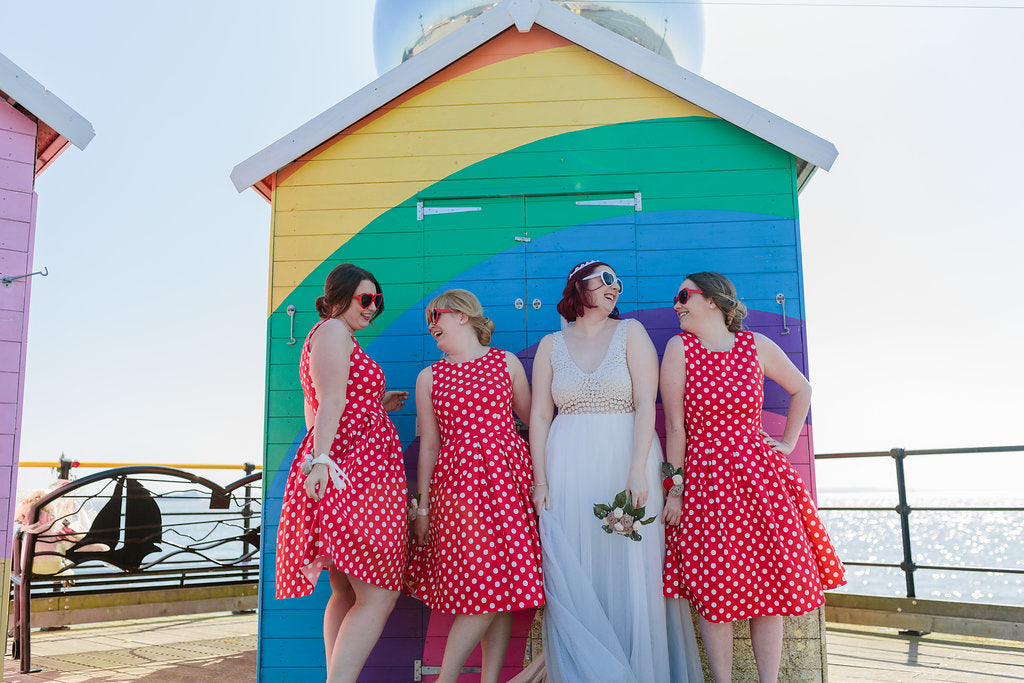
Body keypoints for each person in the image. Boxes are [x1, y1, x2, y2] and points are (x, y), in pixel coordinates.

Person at [660, 271, 847, 682]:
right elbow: (676, 428)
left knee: (771, 591)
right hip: (708, 482)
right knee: (715, 589)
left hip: (762, 480)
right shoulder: (679, 348)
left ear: (712, 300)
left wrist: (786, 442)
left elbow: (803, 390)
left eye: (683, 296)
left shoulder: (755, 345)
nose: (676, 304)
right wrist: (674, 490)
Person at [523, 261, 701, 683]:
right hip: (567, 466)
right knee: (575, 570)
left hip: (626, 459)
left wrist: (638, 471)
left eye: (618, 282)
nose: (615, 288)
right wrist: (540, 480)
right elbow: (541, 416)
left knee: (630, 567)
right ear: (578, 287)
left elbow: (645, 404)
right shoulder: (551, 344)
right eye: (606, 280)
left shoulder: (631, 333)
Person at [275, 263, 410, 683]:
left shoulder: (334, 336)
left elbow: (325, 402)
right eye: (366, 299)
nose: (373, 307)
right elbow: (328, 402)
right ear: (342, 295)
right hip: (355, 473)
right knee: (379, 593)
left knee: (346, 590)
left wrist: (375, 401)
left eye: (378, 301)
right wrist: (320, 462)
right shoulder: (333, 330)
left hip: (348, 467)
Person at [405, 289, 544, 683]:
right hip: (459, 491)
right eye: (428, 319)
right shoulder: (430, 376)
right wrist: (424, 507)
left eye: (438, 315)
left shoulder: (505, 362)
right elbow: (430, 444)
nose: (432, 325)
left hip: (508, 484)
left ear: (464, 316)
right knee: (485, 588)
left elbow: (534, 421)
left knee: (503, 592)